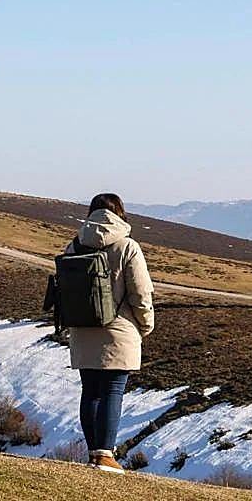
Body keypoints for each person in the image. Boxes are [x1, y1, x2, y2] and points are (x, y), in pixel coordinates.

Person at [63, 193, 154, 473]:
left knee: (90, 392)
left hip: (82, 328)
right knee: (113, 390)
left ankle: (94, 454)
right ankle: (105, 455)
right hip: (118, 331)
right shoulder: (128, 247)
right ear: (120, 213)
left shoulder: (75, 245)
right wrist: (145, 324)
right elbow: (140, 293)